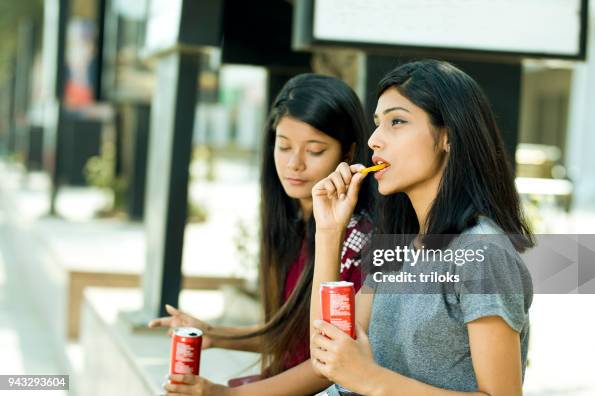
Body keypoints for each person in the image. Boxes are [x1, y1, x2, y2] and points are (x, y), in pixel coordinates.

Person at [309, 60, 534, 396]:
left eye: (396, 122)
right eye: (377, 124)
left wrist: (369, 379)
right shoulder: (397, 248)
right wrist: (327, 232)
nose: (374, 140)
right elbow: (329, 350)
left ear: (448, 137)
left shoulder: (482, 253)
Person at [149, 73, 375, 396]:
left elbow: (328, 365)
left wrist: (224, 395)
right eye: (283, 146)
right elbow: (292, 331)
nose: (293, 164)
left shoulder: (362, 239)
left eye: (314, 150)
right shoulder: (294, 220)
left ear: (349, 154)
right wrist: (213, 334)